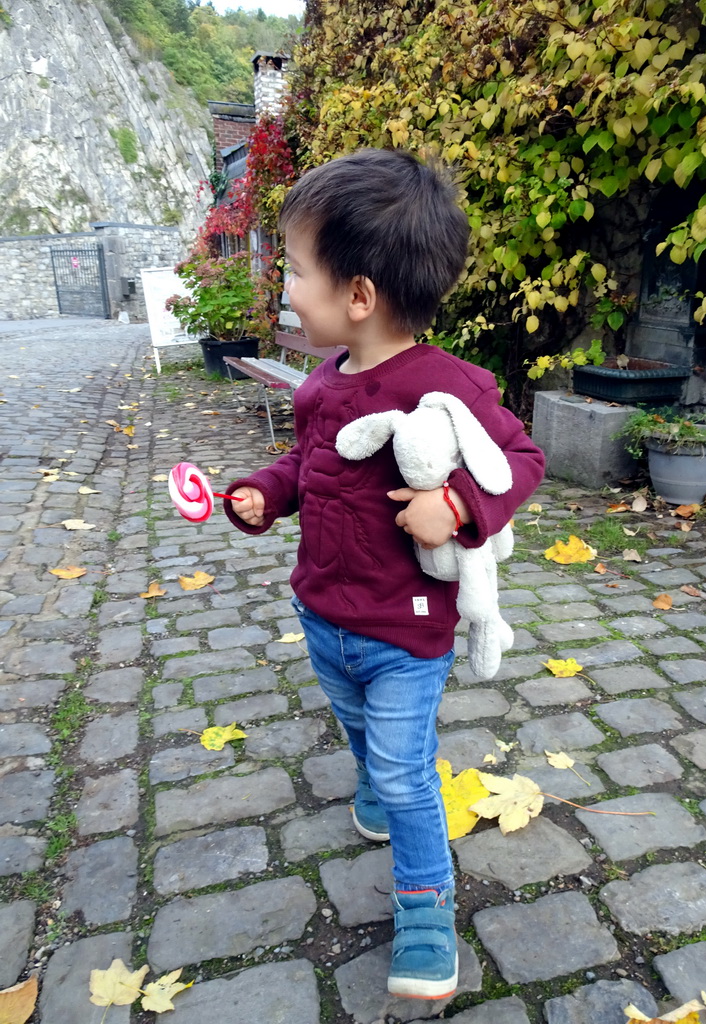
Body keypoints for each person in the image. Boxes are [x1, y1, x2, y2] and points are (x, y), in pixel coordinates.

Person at [225, 148, 546, 1001]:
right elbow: (308, 466)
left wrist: (462, 509)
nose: (285, 288)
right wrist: (263, 492)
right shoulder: (323, 387)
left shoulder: (451, 385)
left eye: (295, 271)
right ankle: (373, 780)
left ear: (358, 296)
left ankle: (426, 905)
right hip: (324, 614)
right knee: (358, 729)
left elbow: (522, 460)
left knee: (409, 774)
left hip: (407, 632)